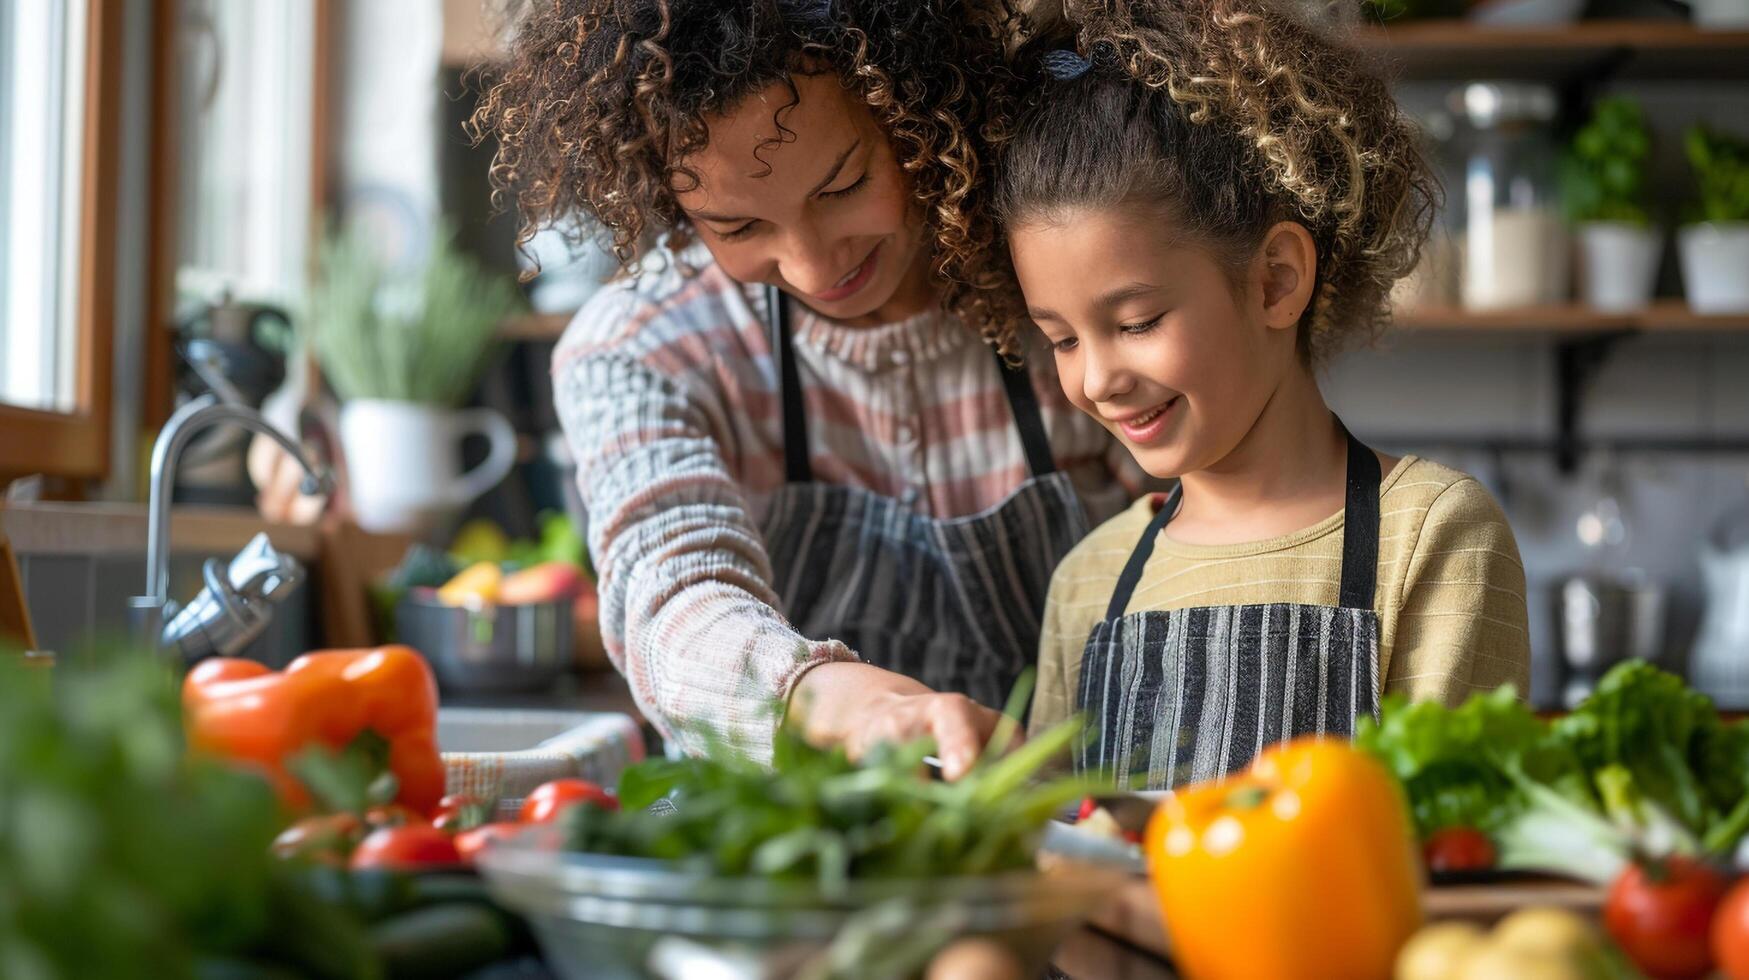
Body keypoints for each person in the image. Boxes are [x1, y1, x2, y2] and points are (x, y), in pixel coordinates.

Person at [470, 0, 1141, 777]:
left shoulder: (1062, 279)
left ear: (914, 110)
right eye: (739, 228)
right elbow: (672, 604)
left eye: (842, 186)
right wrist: (835, 706)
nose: (817, 268)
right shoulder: (640, 346)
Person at [1001, 0, 1531, 788]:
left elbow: (1442, 851)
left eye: (1138, 321)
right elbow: (1057, 855)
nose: (1097, 380)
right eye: (1064, 339)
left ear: (1275, 282)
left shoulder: (1431, 534)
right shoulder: (1089, 577)